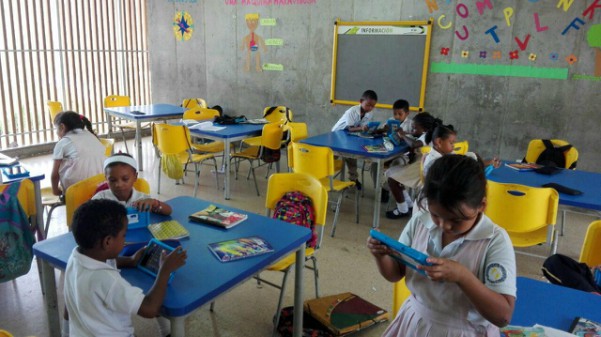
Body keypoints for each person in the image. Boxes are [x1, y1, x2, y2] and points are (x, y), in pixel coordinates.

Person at [368, 155, 516, 336]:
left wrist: (463, 277)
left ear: (481, 205)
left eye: (456, 220)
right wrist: (381, 255)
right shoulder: (420, 222)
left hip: (463, 332)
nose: (444, 226)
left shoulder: (494, 240)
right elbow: (395, 274)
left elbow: (503, 316)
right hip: (415, 323)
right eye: (435, 215)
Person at [64, 199, 187, 336]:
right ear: (108, 242)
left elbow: (104, 260)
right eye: (124, 235)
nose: (125, 239)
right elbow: (150, 309)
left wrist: (130, 260)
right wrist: (165, 271)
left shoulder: (76, 257)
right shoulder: (108, 281)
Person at [384, 112, 440, 218]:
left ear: (424, 129)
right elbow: (415, 139)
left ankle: (402, 210)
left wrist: (403, 135)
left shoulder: (426, 136)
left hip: (421, 169)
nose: (413, 130)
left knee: (391, 177)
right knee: (395, 176)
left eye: (414, 128)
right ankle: (408, 204)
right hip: (421, 166)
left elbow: (415, 144)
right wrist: (408, 134)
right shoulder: (429, 134)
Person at [93, 153, 172, 215]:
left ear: (135, 177)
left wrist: (155, 203)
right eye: (112, 180)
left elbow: (168, 211)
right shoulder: (100, 198)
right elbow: (85, 218)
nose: (118, 184)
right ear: (106, 179)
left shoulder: (142, 198)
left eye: (125, 179)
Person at [51, 111, 106, 197]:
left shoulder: (63, 142)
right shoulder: (91, 136)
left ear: (62, 127)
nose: (56, 132)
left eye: (56, 129)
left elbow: (55, 175)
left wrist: (55, 191)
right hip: (101, 186)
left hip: (76, 191)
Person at [331, 89, 378, 189]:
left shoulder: (369, 113)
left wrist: (370, 129)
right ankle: (323, 176)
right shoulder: (352, 111)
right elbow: (350, 128)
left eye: (373, 106)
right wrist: (362, 128)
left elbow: (361, 127)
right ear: (361, 101)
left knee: (351, 156)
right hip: (337, 135)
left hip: (348, 136)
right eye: (368, 105)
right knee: (331, 157)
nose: (370, 108)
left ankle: (353, 178)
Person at [374, 99, 414, 202]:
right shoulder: (390, 120)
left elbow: (414, 141)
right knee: (374, 165)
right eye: (395, 113)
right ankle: (379, 188)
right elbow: (378, 131)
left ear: (407, 113)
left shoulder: (411, 124)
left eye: (400, 114)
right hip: (388, 152)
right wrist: (384, 130)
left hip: (403, 155)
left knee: (396, 165)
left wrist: (404, 135)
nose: (397, 116)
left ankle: (386, 187)